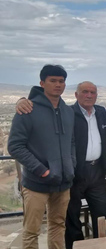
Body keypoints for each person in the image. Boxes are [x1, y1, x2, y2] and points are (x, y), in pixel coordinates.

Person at [15, 81, 106, 248]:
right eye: (85, 92)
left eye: (93, 92)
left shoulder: (102, 112)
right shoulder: (68, 113)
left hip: (96, 172)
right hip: (74, 172)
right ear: (76, 95)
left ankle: (105, 245)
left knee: (103, 213)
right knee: (70, 216)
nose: (89, 95)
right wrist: (21, 100)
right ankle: (76, 246)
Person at [9, 64, 75, 249]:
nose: (58, 85)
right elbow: (15, 146)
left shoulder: (68, 111)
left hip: (63, 182)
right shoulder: (28, 110)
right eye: (52, 81)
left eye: (61, 81)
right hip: (36, 184)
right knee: (31, 231)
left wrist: (71, 165)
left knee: (58, 226)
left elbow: (72, 142)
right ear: (42, 83)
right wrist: (42, 171)